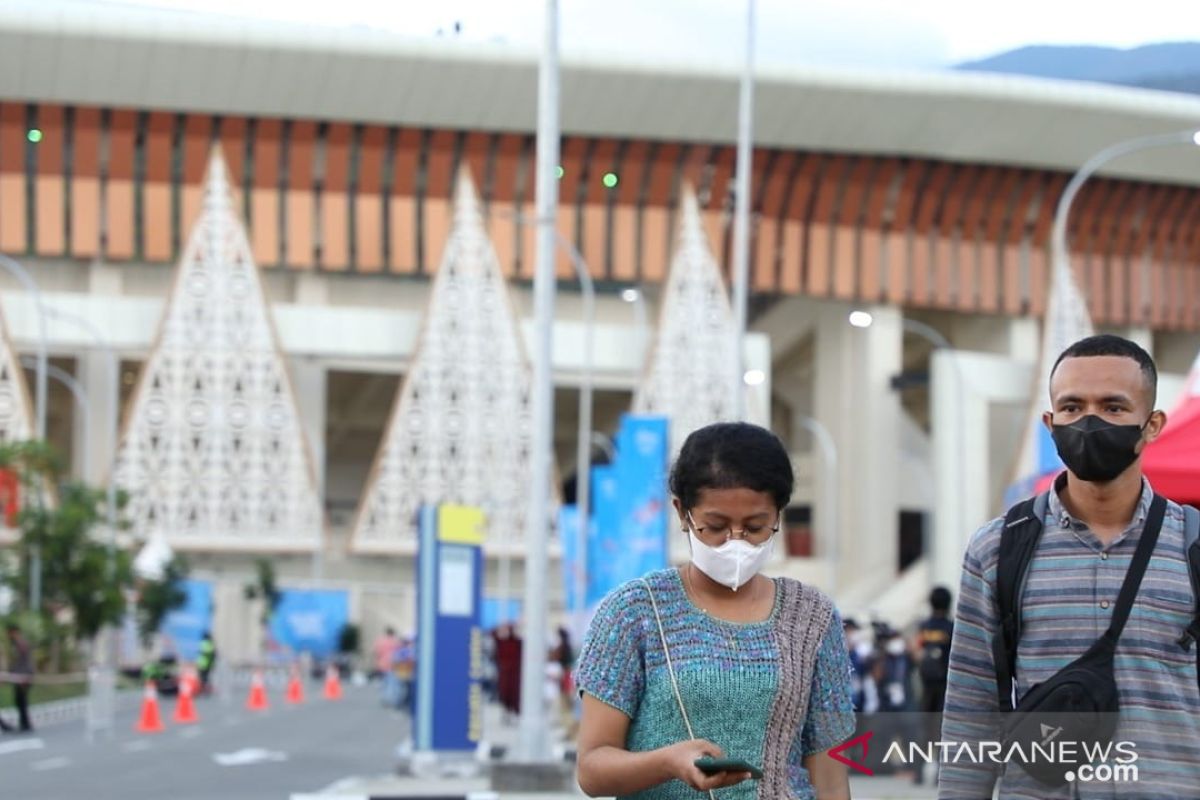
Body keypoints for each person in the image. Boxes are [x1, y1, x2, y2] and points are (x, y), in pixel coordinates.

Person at [940, 335, 1200, 798]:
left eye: (1114, 407)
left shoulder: (1192, 544)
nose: (1090, 421)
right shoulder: (997, 549)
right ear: (1050, 421)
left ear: (1153, 424)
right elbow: (971, 712)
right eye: (1073, 407)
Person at [575, 422, 855, 799]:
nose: (735, 541)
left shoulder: (813, 617)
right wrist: (668, 761)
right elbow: (592, 769)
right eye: (715, 526)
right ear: (682, 512)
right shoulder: (634, 612)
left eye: (756, 526)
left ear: (778, 516)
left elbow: (831, 776)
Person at [1, 623, 33, 733]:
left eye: (9, 633)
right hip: (18, 676)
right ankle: (23, 723)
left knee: (21, 700)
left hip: (22, 677)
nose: (8, 636)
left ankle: (25, 724)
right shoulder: (17, 644)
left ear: (14, 632)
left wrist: (25, 676)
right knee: (19, 700)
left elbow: (23, 663)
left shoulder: (21, 644)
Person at [196, 631, 217, 696]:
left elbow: (202, 654)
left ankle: (203, 689)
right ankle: (206, 689)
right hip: (208, 664)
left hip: (203, 664)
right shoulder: (211, 644)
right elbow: (214, 655)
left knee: (203, 678)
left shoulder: (203, 643)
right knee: (206, 678)